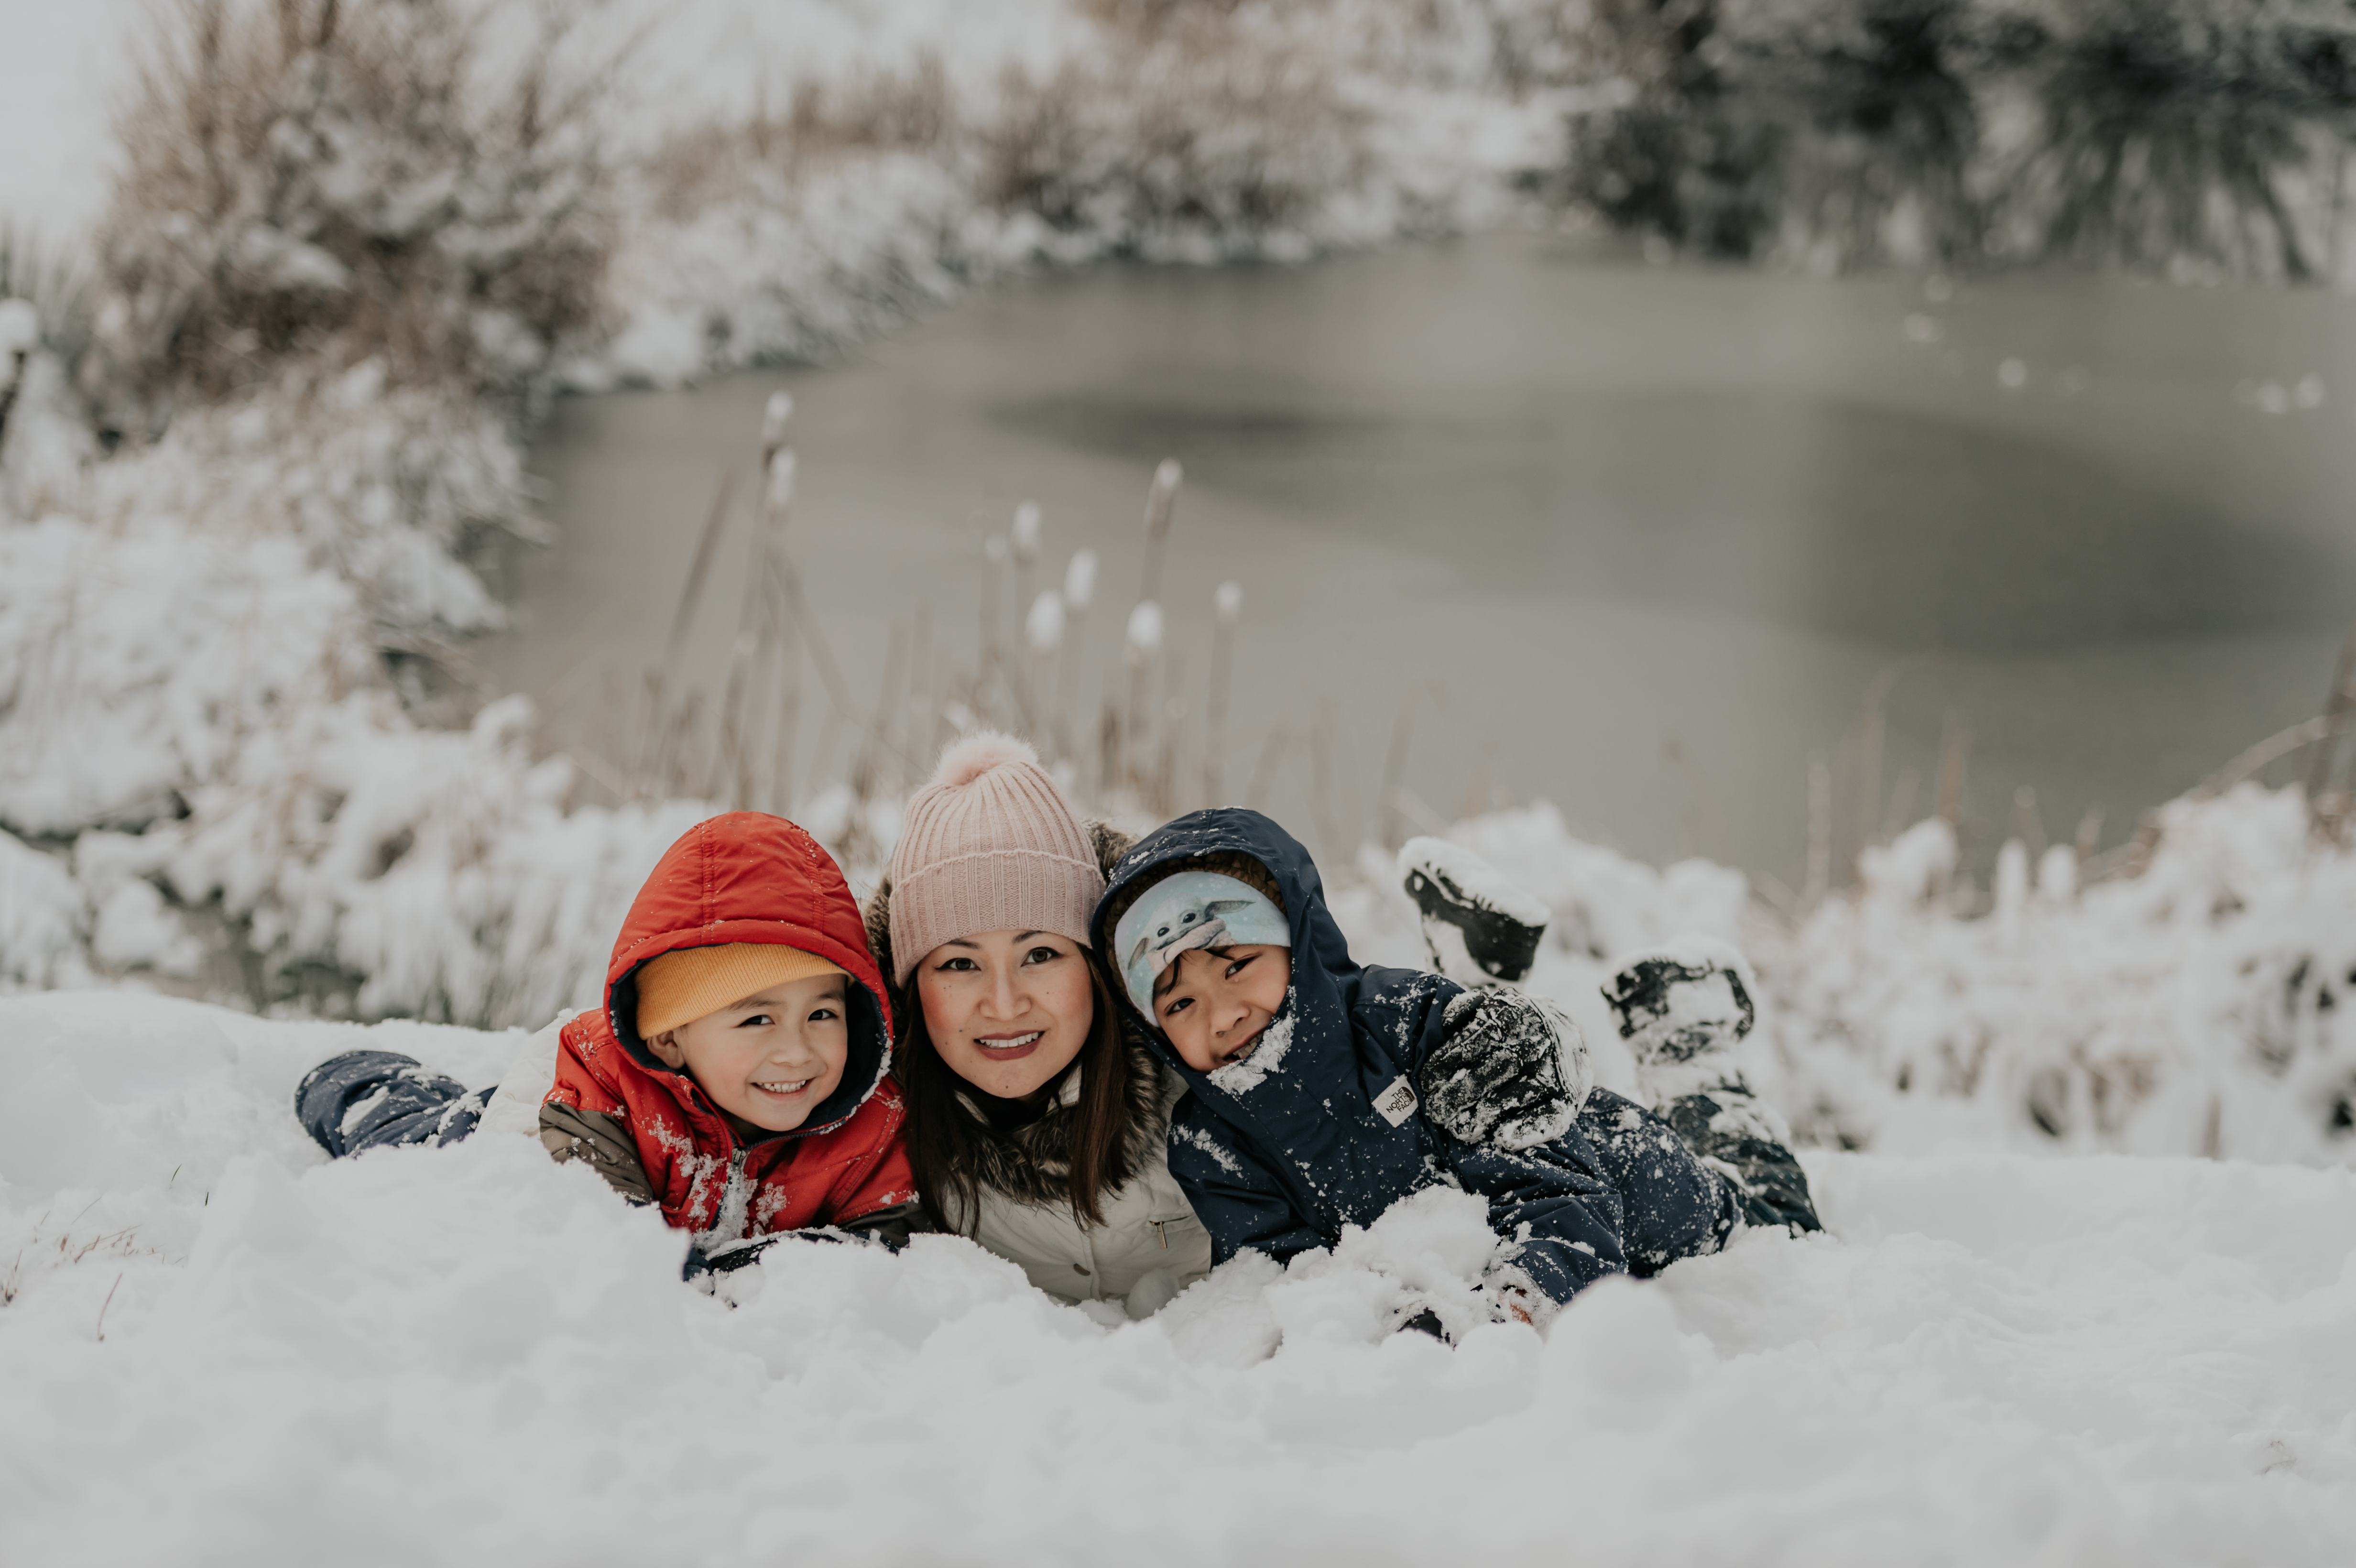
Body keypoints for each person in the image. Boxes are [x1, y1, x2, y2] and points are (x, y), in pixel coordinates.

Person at [1092, 807, 1812, 1331]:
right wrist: (1373, 1320)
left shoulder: (1406, 1022)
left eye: (1238, 965)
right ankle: (1488, 976)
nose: (1219, 1016)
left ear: (1299, 941)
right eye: (1179, 1001)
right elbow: (1284, 1269)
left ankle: (1695, 1059)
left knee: (1765, 1218)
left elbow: (1561, 1195)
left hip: (1627, 1173)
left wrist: (1523, 1296)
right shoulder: (1210, 1141)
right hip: (1482, 1221)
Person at [294, 812, 919, 1273]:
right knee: (430, 1139)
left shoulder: (867, 1127)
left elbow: (882, 1251)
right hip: (536, 1122)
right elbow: (613, 1255)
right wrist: (753, 1273)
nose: (797, 1052)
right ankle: (364, 1082)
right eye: (757, 1020)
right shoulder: (605, 1108)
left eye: (822, 1014)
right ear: (671, 1039)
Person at [862, 733, 1213, 1318]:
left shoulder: (1205, 1072)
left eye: (1041, 955)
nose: (1003, 1005)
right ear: (910, 985)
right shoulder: (875, 1136)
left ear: (1097, 965)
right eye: (959, 963)